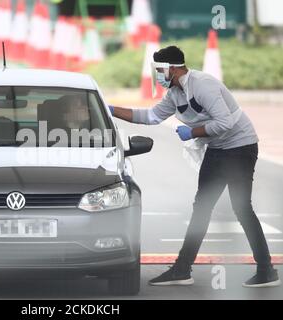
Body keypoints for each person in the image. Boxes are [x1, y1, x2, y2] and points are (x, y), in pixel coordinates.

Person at [109, 45, 280, 288]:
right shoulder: (174, 94)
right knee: (202, 208)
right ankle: (182, 269)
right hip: (218, 149)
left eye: (160, 69)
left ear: (174, 69)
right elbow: (150, 116)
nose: (157, 74)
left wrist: (193, 132)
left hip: (240, 146)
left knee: (241, 208)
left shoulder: (203, 84)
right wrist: (111, 110)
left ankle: (266, 270)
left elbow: (226, 122)